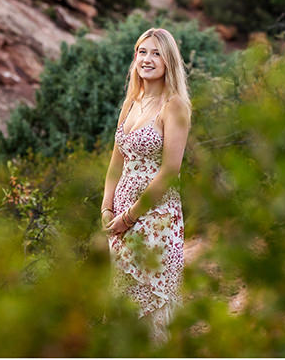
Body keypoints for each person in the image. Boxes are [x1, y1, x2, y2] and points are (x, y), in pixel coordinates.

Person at [101, 27, 191, 344]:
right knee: (124, 297)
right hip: (121, 217)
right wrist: (107, 207)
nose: (147, 59)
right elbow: (116, 161)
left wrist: (130, 217)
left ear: (169, 61)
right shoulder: (131, 104)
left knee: (153, 301)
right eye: (142, 52)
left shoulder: (174, 106)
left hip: (156, 217)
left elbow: (169, 171)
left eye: (156, 53)